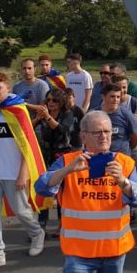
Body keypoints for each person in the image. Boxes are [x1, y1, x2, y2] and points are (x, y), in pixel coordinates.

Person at [34, 111, 137, 273]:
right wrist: (67, 171)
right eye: (97, 132)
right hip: (79, 253)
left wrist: (123, 182)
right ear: (83, 136)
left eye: (107, 131)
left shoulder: (124, 163)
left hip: (113, 251)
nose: (104, 136)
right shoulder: (68, 162)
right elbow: (42, 187)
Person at [0, 71, 48, 270]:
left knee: (21, 211)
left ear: (7, 88)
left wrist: (23, 171)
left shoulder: (18, 110)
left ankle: (36, 233)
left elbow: (27, 144)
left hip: (13, 172)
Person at [37, 89, 80, 236]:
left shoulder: (67, 114)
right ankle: (41, 226)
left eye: (54, 100)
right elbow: (29, 127)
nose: (50, 103)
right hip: (46, 155)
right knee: (43, 189)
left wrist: (47, 117)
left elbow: (63, 130)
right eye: (48, 100)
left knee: (62, 192)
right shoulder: (43, 114)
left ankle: (63, 224)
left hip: (62, 156)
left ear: (61, 102)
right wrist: (38, 117)